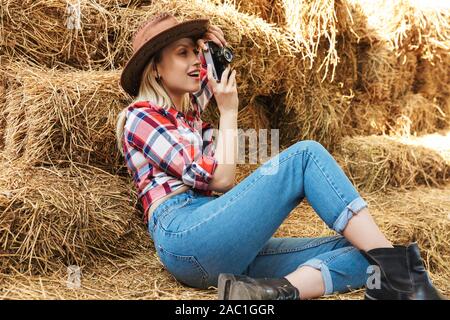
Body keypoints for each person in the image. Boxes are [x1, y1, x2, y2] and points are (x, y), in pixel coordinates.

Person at [116, 12, 446, 300]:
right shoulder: (140, 117)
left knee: (362, 252)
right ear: (156, 68)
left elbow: (211, 79)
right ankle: (406, 277)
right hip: (185, 237)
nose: (194, 61)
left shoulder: (188, 117)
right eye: (182, 53)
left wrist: (215, 47)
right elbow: (221, 180)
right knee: (305, 156)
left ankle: (272, 292)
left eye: (195, 52)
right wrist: (229, 111)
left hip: (218, 240)